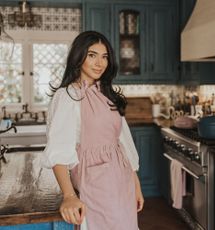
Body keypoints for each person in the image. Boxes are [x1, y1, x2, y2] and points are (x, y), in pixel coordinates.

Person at [41, 30, 144, 230]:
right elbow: (59, 150)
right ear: (78, 58)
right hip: (95, 184)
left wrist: (136, 185)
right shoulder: (68, 96)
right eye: (92, 55)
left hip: (122, 181)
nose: (100, 63)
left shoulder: (106, 93)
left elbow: (124, 142)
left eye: (104, 57)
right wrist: (69, 196)